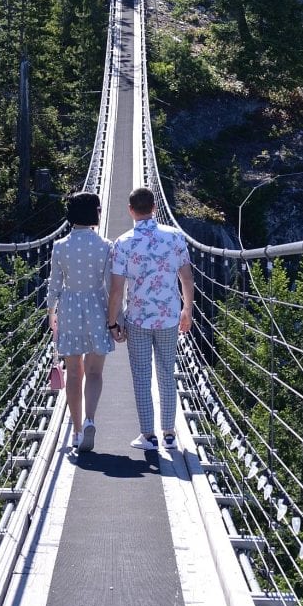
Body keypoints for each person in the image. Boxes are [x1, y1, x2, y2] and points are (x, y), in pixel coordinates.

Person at [108, 185, 193, 451]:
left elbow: (117, 289)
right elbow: (187, 278)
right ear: (155, 208)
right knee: (167, 374)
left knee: (142, 377)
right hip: (169, 317)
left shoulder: (123, 243)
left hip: (138, 319)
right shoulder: (175, 237)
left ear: (130, 211)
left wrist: (113, 322)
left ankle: (148, 436)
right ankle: (169, 435)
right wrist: (187, 309)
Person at [46, 190, 114, 451]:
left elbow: (54, 285)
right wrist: (116, 319)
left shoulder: (60, 246)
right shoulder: (105, 246)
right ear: (94, 213)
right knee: (95, 372)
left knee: (74, 374)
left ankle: (75, 432)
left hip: (70, 309)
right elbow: (111, 285)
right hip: (97, 307)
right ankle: (89, 420)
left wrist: (52, 314)